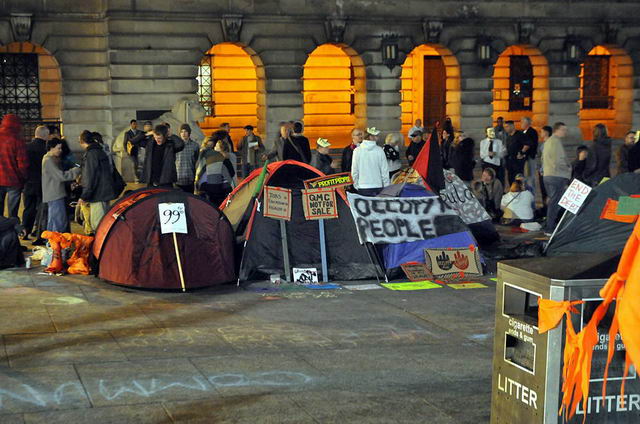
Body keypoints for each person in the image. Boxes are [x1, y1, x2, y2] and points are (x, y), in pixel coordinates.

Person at [78, 130, 115, 232]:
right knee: (102, 222)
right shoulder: (98, 151)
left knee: (97, 224)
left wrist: (84, 196)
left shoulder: (91, 154)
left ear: (82, 141)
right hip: (103, 191)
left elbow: (91, 176)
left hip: (98, 194)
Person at [41, 138, 81, 232]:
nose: (60, 150)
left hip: (55, 194)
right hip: (55, 195)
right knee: (58, 222)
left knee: (54, 221)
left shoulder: (52, 158)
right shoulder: (48, 160)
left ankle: (52, 240)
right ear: (51, 148)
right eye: (58, 148)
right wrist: (76, 170)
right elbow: (61, 176)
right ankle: (57, 240)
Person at [542, 122, 571, 235]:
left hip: (548, 175)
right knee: (555, 202)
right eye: (563, 130)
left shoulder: (548, 141)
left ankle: (550, 225)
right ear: (557, 130)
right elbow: (559, 160)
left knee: (553, 201)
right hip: (557, 175)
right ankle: (550, 227)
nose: (565, 132)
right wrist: (568, 168)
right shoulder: (556, 142)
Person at [21, 125, 48, 240]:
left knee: (28, 208)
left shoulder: (26, 147)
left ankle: (25, 231)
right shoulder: (46, 149)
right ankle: (39, 233)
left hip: (29, 182)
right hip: (42, 182)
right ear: (45, 135)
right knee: (42, 208)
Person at [0, 114, 28, 221]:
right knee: (13, 213)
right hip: (14, 180)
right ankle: (12, 228)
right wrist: (23, 177)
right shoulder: (17, 139)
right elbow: (22, 163)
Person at [195, 134, 235, 206]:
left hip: (210, 188)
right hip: (217, 188)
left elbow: (200, 171)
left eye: (215, 146)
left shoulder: (208, 157)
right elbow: (230, 174)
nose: (214, 148)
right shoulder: (222, 159)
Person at [351, 127, 389, 196]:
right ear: (370, 137)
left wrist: (356, 185)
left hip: (362, 186)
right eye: (376, 136)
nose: (378, 137)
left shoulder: (357, 151)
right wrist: (386, 186)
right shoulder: (380, 150)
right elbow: (384, 171)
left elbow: (354, 171)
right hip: (378, 185)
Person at [175, 124, 200, 193]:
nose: (183, 134)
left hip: (190, 177)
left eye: (185, 131)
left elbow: (197, 161)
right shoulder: (175, 145)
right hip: (178, 178)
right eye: (181, 132)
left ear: (189, 132)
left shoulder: (195, 145)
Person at [504, 120, 528, 185]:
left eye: (507, 126)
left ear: (512, 126)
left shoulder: (520, 135)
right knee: (510, 179)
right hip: (510, 162)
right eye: (505, 127)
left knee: (518, 180)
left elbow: (527, 144)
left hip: (518, 162)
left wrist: (522, 152)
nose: (505, 128)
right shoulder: (508, 137)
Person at [520, 116, 539, 190]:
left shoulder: (532, 132)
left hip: (530, 157)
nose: (521, 124)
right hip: (526, 158)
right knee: (527, 176)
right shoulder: (524, 132)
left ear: (526, 123)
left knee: (530, 176)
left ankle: (531, 191)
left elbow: (531, 144)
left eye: (522, 122)